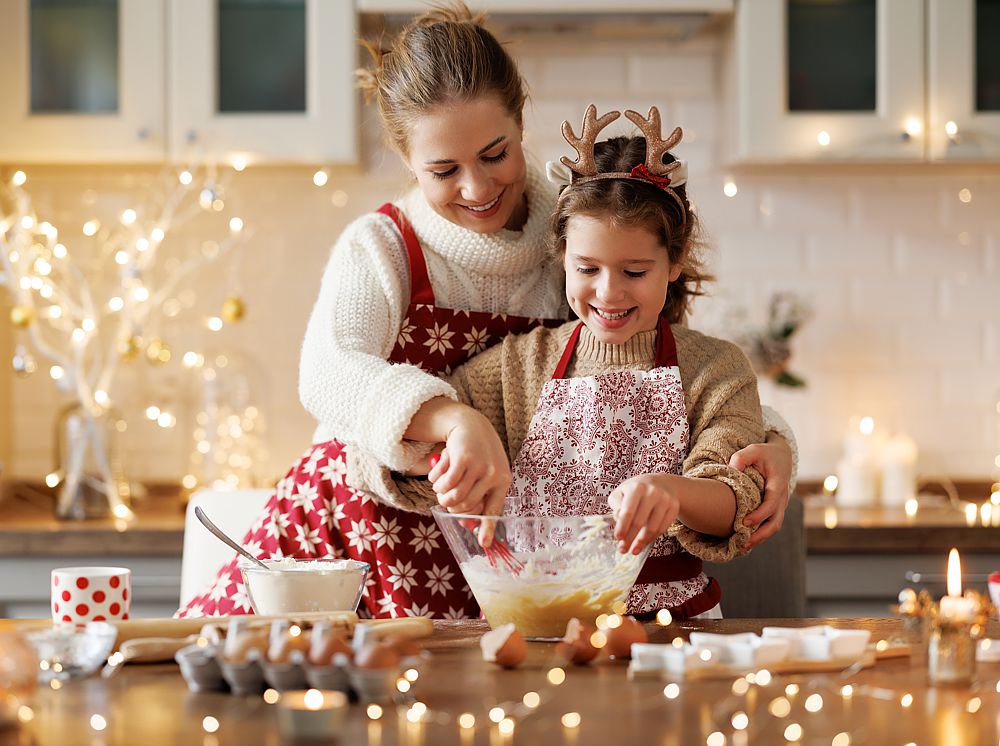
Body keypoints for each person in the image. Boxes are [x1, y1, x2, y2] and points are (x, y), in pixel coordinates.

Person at [177, 4, 796, 620]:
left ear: (522, 125)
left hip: (503, 557)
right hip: (367, 525)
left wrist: (773, 442)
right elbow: (328, 372)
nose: (476, 189)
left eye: (495, 154)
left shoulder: (584, 229)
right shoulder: (383, 246)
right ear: (408, 162)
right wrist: (455, 422)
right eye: (444, 170)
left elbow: (657, 366)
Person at [370, 106, 762, 618]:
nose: (608, 291)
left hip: (674, 634)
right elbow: (401, 439)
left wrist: (673, 493)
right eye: (588, 268)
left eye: (635, 271)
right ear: (561, 254)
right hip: (541, 624)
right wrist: (446, 467)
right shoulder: (518, 367)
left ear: (676, 258)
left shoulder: (715, 370)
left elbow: (738, 500)